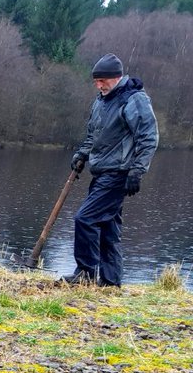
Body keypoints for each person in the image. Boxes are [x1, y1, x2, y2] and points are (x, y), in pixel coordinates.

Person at [65, 53, 159, 288]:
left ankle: (85, 274)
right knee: (108, 227)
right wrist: (81, 155)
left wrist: (137, 171)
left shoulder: (134, 99)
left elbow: (148, 138)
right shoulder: (100, 101)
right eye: (96, 81)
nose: (98, 85)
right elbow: (93, 136)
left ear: (116, 77)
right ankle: (111, 280)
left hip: (118, 173)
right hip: (101, 172)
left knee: (84, 219)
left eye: (102, 81)